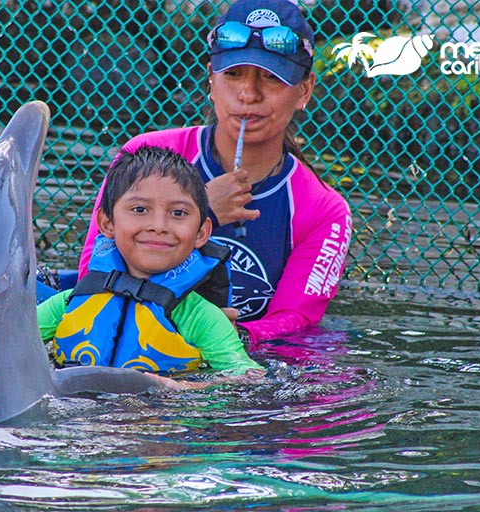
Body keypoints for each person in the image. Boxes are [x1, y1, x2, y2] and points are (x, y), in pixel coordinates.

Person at [78, 0, 351, 347]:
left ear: (304, 90)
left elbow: (296, 323)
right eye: (233, 75)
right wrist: (200, 211)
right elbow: (93, 276)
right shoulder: (145, 155)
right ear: (211, 79)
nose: (248, 94)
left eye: (271, 78)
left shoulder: (325, 210)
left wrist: (227, 335)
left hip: (241, 364)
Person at [38, 145, 264, 377]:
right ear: (107, 223)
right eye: (139, 209)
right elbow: (6, 340)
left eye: (178, 213)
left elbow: (247, 378)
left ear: (201, 232)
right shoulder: (70, 301)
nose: (158, 225)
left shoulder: (200, 317)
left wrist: (184, 389)